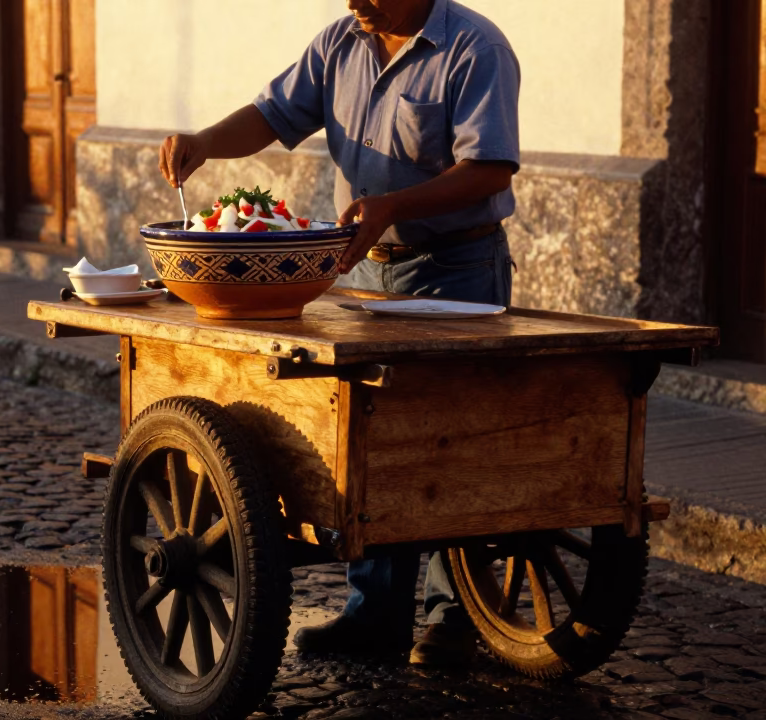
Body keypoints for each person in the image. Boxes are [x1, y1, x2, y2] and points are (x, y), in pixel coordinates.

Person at [157, 0, 520, 667]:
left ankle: (453, 617)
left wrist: (394, 207)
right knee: (370, 438)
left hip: (457, 272)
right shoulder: (340, 44)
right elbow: (272, 115)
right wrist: (205, 140)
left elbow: (490, 169)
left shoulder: (474, 48)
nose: (354, 3)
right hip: (365, 273)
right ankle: (375, 615)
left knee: (440, 442)